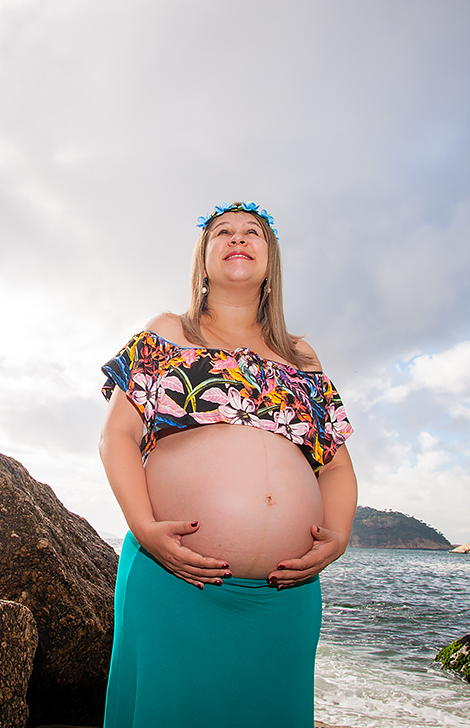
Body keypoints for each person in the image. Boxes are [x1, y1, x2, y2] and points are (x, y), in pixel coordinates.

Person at [98, 200, 357, 727]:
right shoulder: (169, 331)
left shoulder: (302, 357)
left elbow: (334, 466)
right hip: (175, 585)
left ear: (271, 259)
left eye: (252, 232)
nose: (238, 238)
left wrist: (340, 534)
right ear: (204, 256)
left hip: (283, 602)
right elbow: (117, 437)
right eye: (222, 231)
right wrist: (145, 529)